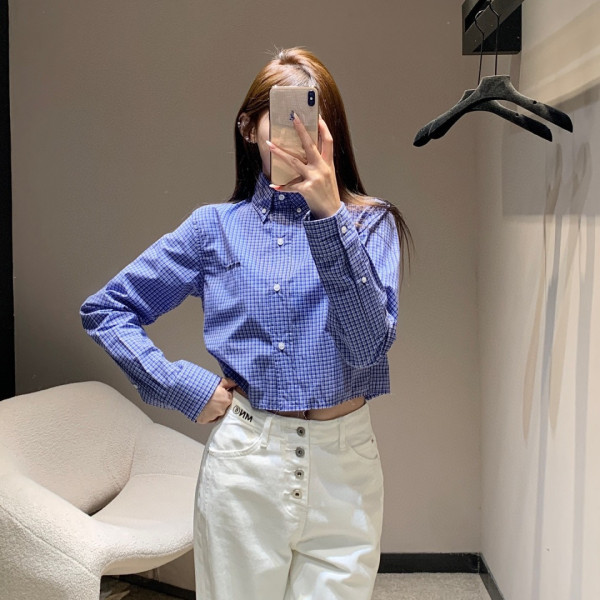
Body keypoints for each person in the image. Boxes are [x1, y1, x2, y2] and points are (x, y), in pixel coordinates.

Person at [80, 47, 412, 600]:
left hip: (347, 472)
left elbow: (368, 347)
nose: (298, 131)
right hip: (246, 464)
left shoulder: (370, 223)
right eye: (284, 115)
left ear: (332, 130)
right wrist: (185, 387)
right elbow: (107, 309)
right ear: (249, 127)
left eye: (312, 115)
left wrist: (330, 215)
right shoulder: (214, 228)